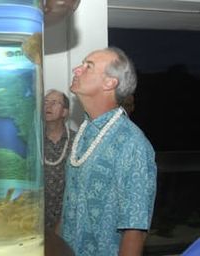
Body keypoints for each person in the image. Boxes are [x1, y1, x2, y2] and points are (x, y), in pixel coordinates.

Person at [61, 47, 157, 255]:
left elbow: (134, 231)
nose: (77, 69)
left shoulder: (131, 143)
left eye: (89, 66)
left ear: (110, 83)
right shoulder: (84, 134)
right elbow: (70, 207)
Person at [44, 89, 75, 232]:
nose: (47, 106)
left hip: (68, 219)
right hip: (36, 219)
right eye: (45, 102)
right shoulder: (33, 140)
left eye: (54, 103)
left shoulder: (77, 141)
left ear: (64, 112)